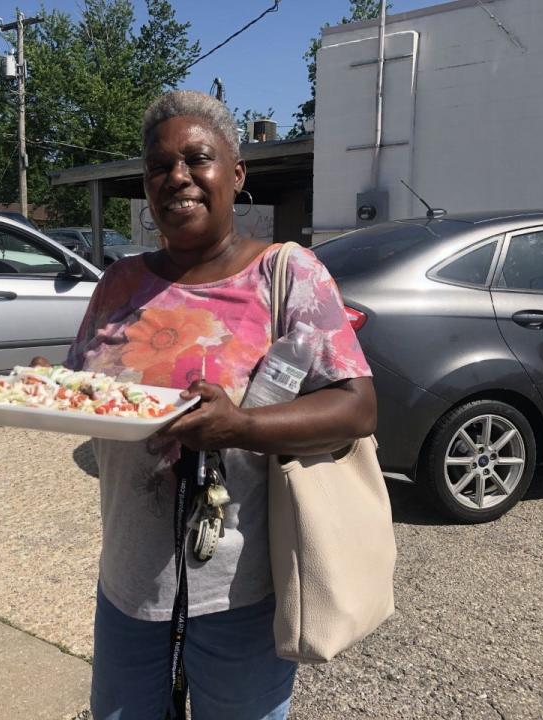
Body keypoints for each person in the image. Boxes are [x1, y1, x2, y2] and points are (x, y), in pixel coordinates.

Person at [44, 90, 376, 719]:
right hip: (128, 582)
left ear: (236, 173)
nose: (177, 178)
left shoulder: (286, 274)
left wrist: (241, 424)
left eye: (197, 158)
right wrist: (44, 389)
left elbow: (357, 408)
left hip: (238, 591)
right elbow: (81, 393)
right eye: (158, 166)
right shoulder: (118, 284)